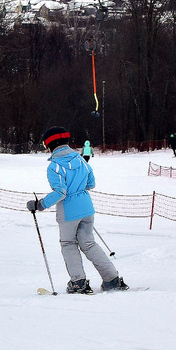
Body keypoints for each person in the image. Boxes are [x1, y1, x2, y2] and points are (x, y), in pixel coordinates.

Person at [27, 126, 128, 294]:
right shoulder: (81, 159)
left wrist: (40, 204)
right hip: (87, 209)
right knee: (88, 243)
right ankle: (112, 279)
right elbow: (91, 184)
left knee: (68, 244)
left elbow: (61, 192)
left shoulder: (55, 166)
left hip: (69, 213)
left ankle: (78, 282)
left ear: (50, 145)